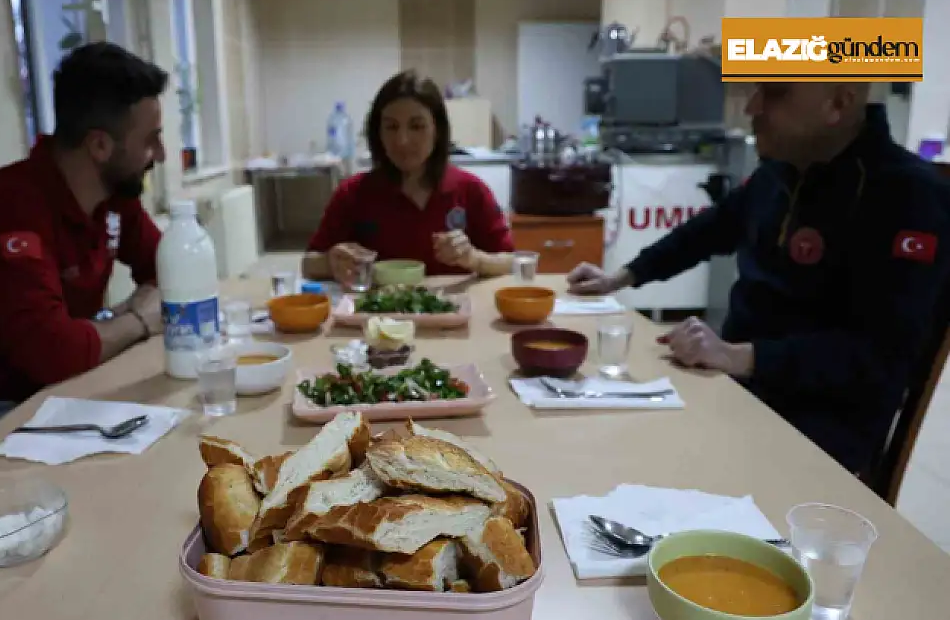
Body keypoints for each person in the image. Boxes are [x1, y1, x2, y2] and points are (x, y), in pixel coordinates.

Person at [567, 82, 950, 474]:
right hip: (734, 394)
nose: (751, 108)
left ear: (838, 103)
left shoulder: (909, 196)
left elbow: (878, 358)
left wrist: (738, 356)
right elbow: (710, 229)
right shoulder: (783, 171)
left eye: (774, 93)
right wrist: (619, 277)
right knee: (596, 439)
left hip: (815, 440)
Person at [0, 42, 168, 418]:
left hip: (68, 388)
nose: (160, 155)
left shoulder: (114, 196)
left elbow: (171, 271)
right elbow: (51, 351)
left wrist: (108, 326)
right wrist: (138, 320)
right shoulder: (7, 207)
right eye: (150, 140)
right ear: (99, 145)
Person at [302, 70, 515, 284]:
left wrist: (474, 258)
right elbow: (309, 263)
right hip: (379, 314)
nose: (402, 140)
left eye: (417, 126)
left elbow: (509, 260)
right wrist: (331, 261)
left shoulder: (470, 190)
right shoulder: (353, 193)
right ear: (378, 133)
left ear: (437, 130)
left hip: (453, 310)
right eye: (391, 127)